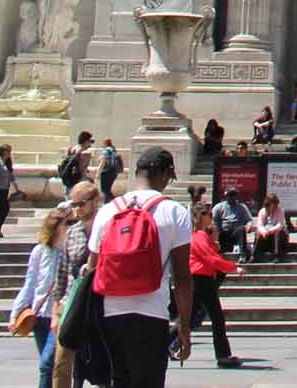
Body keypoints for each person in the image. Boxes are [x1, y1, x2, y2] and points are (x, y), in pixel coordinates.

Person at [88, 147, 195, 388]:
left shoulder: (107, 211)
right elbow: (182, 277)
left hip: (110, 315)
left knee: (118, 382)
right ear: (166, 175)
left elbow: (91, 270)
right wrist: (184, 326)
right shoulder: (175, 212)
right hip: (151, 314)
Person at [10, 205, 69, 388]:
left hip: (58, 314)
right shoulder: (40, 251)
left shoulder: (70, 251)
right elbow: (30, 283)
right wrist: (15, 312)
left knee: (46, 363)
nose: (68, 228)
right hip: (39, 314)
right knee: (50, 365)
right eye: (66, 224)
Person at [47, 182, 98, 388]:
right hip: (72, 302)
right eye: (73, 205)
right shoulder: (72, 232)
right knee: (61, 362)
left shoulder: (107, 228)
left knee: (103, 361)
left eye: (81, 204)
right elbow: (62, 272)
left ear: (96, 201)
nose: (77, 209)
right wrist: (55, 310)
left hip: (99, 303)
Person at [182, 203, 244, 367]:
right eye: (208, 214)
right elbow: (211, 259)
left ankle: (168, 342)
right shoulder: (199, 235)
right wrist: (233, 267)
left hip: (200, 278)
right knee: (216, 317)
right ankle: (223, 356)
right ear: (201, 217)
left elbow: (211, 253)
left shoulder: (198, 235)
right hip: (202, 278)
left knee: (190, 315)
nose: (211, 217)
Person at [213, 188, 253, 264]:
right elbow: (214, 220)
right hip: (224, 232)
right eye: (230, 195)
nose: (232, 197)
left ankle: (242, 255)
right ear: (226, 196)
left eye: (234, 195)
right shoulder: (219, 207)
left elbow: (249, 220)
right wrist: (217, 230)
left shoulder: (242, 207)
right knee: (221, 235)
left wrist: (248, 225)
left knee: (241, 229)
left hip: (236, 231)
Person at [250, 194, 288, 263]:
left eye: (274, 204)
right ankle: (253, 256)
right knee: (258, 233)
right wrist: (264, 232)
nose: (273, 207)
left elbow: (280, 225)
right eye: (271, 205)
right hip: (266, 235)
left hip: (278, 236)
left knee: (277, 233)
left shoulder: (280, 211)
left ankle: (276, 255)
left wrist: (270, 231)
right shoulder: (262, 211)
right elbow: (260, 225)